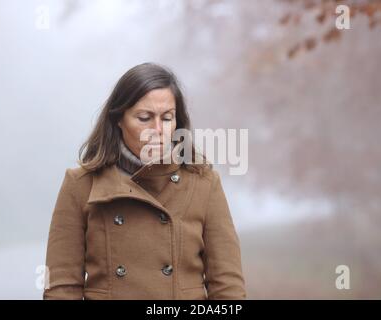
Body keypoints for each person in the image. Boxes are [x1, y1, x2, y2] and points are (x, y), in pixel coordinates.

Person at [43, 62, 246, 300]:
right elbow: (61, 287)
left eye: (167, 118)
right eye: (144, 117)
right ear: (119, 119)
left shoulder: (204, 183)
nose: (157, 129)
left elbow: (227, 287)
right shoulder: (80, 185)